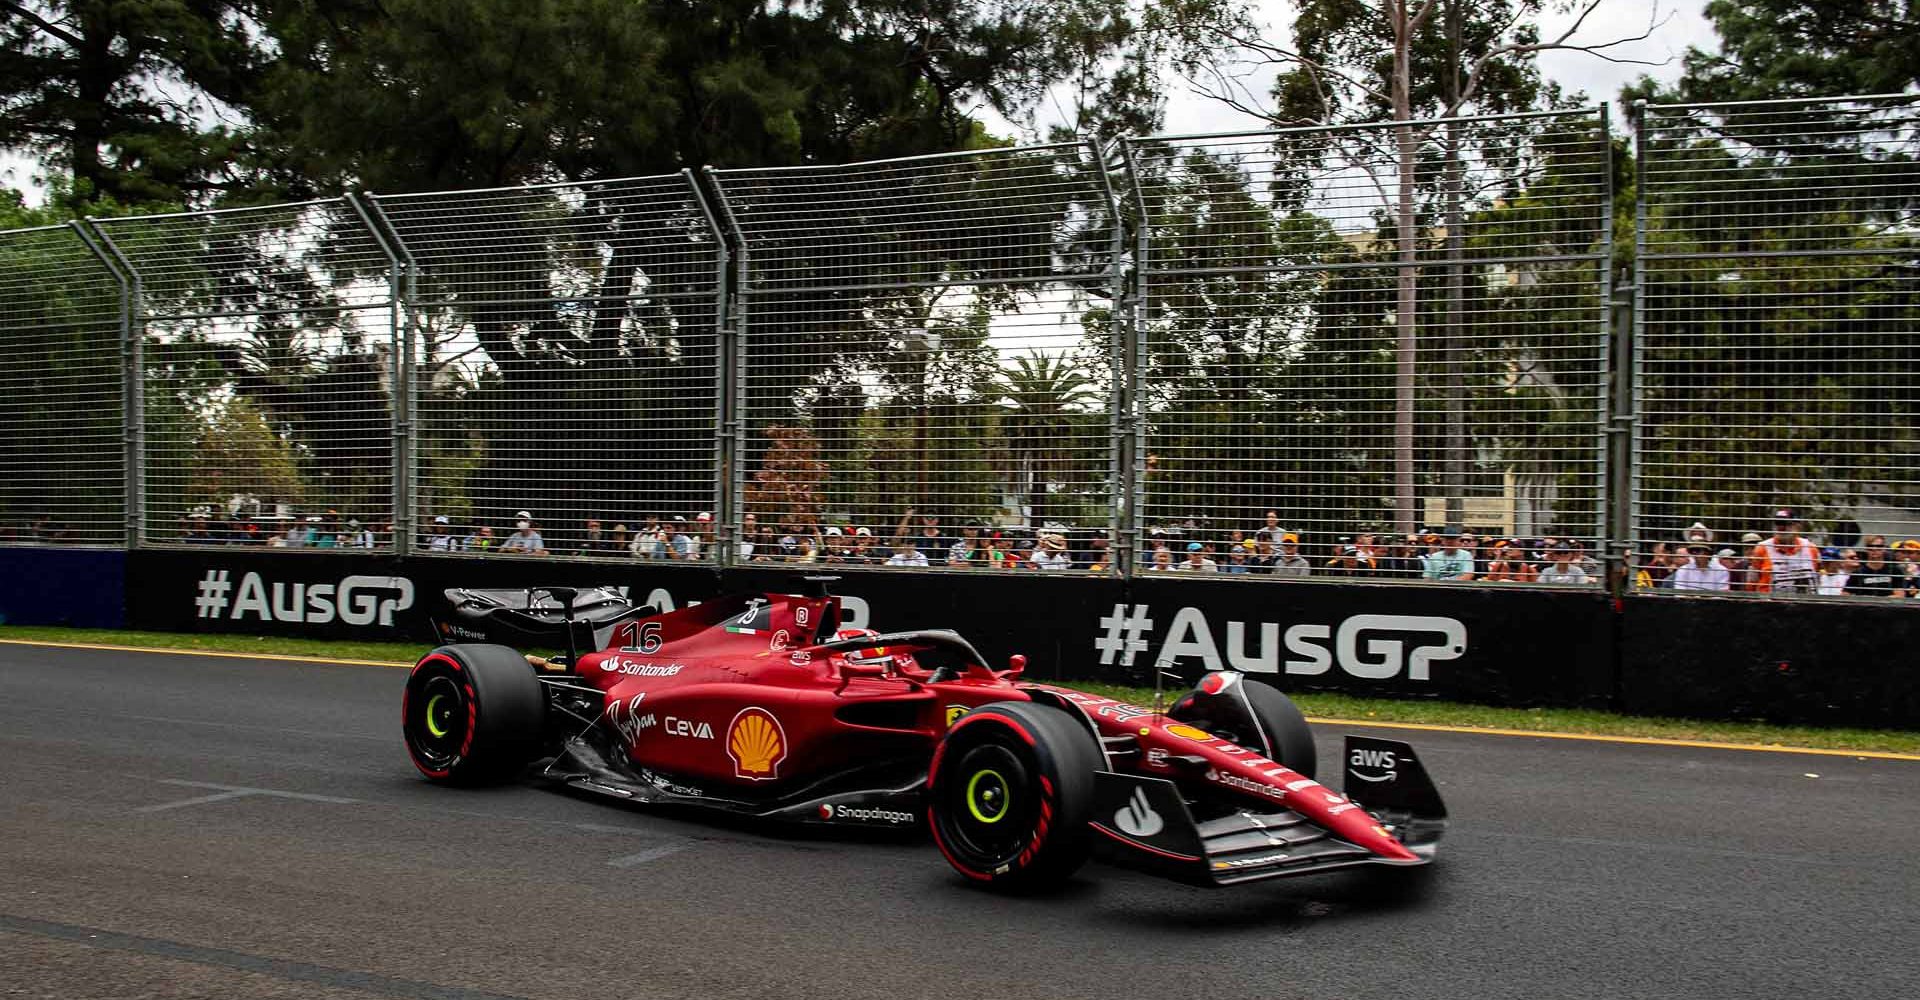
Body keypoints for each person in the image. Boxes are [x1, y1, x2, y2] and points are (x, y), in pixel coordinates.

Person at [1747, 508, 1820, 594]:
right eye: (1778, 523)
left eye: (1786, 524)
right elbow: (1751, 583)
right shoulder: (1761, 549)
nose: (1781, 528)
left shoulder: (1811, 548)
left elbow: (1817, 578)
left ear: (1797, 526)